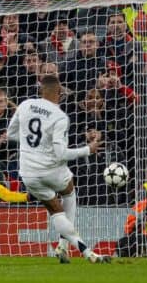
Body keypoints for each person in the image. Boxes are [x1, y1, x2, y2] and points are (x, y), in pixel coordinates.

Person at [6, 74, 110, 264]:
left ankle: (64, 247)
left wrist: (32, 146)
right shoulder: (59, 116)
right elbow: (61, 153)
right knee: (69, 191)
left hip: (28, 173)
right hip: (51, 170)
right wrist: (88, 149)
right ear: (60, 92)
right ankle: (85, 252)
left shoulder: (25, 105)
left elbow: (11, 134)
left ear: (41, 90)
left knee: (55, 209)